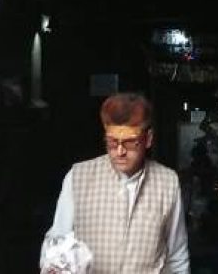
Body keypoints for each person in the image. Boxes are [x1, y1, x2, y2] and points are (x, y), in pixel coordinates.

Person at [44, 93, 190, 273]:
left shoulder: (168, 182)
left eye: (130, 143)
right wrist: (53, 265)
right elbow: (57, 240)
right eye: (113, 142)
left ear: (148, 139)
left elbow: (177, 256)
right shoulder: (78, 177)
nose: (120, 151)